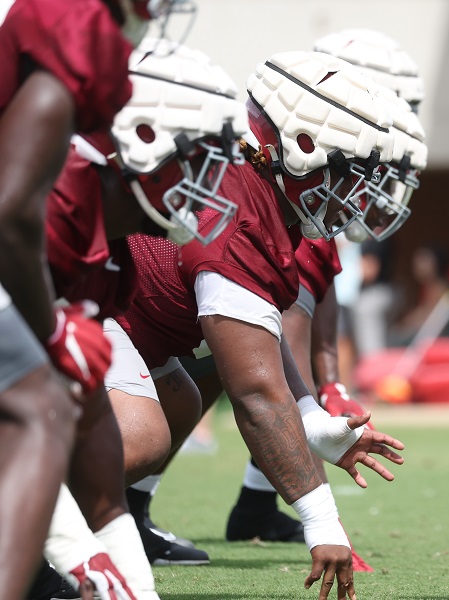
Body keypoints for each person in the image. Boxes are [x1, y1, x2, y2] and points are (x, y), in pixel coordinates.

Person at [105, 50, 406, 600]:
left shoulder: (264, 200)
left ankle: (84, 521)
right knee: (143, 435)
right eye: (349, 174)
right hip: (76, 297)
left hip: (115, 305)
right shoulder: (240, 215)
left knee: (181, 402)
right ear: (304, 148)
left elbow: (260, 340)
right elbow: (256, 395)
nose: (357, 197)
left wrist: (314, 421)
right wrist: (321, 519)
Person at [0, 0, 171, 596]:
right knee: (33, 402)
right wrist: (80, 556)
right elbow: (9, 213)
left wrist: (126, 569)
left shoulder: (112, 247)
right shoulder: (62, 187)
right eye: (195, 157)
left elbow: (90, 410)